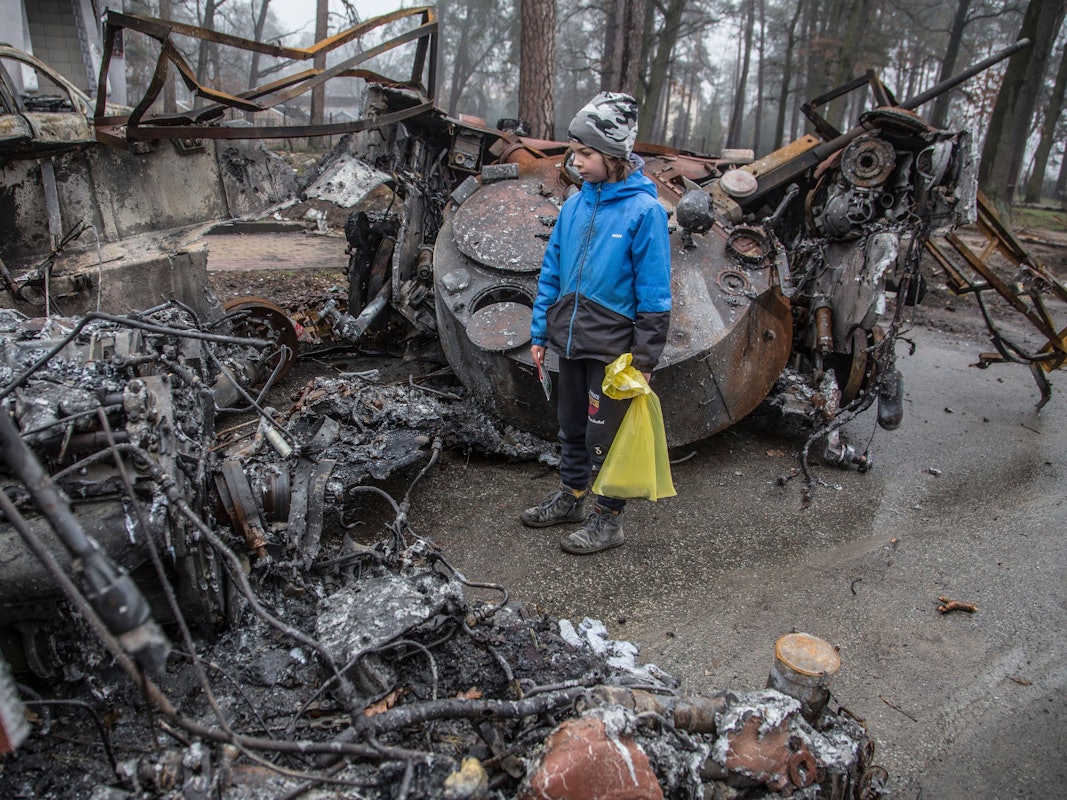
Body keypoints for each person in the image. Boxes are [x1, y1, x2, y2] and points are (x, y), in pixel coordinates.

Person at [520, 92, 672, 555]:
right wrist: (541, 332)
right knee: (570, 426)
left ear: (613, 154)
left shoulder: (644, 212)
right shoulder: (573, 207)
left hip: (613, 347)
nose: (576, 161)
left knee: (605, 434)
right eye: (575, 151)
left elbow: (655, 292)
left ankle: (609, 520)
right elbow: (551, 272)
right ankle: (572, 497)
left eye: (586, 153)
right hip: (569, 337)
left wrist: (645, 358)